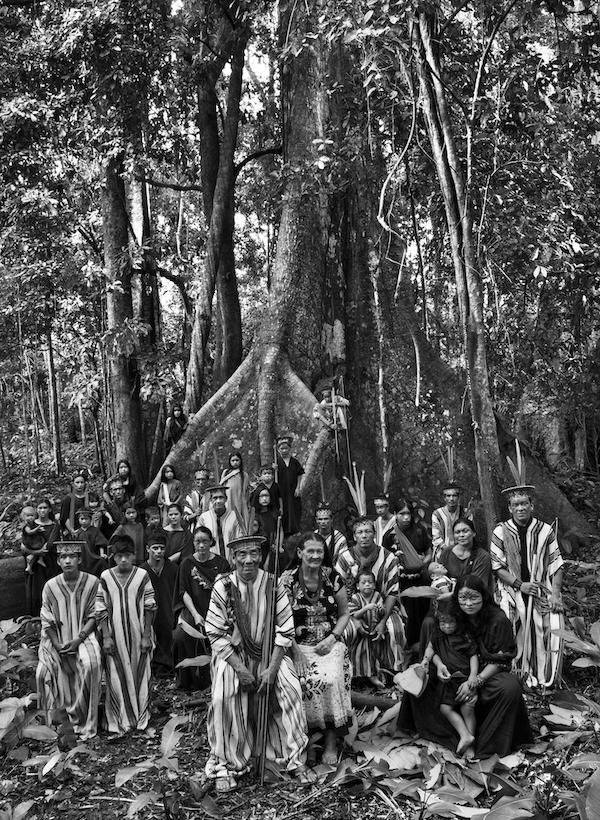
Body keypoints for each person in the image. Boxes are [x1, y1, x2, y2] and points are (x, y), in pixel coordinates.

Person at [204, 535, 312, 792]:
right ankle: (226, 764)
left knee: (291, 689)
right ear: (233, 558)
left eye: (253, 553)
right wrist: (240, 669)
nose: (248, 560)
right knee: (223, 696)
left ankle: (293, 759)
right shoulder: (223, 586)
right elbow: (215, 632)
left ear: (261, 556)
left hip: (271, 656)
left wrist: (273, 669)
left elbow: (285, 629)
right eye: (242, 554)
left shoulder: (274, 584)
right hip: (234, 657)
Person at [398, 574, 533, 759]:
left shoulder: (497, 619)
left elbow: (502, 661)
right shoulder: (453, 613)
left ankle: (485, 744)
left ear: (483, 597)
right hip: (450, 672)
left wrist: (475, 682)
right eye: (463, 598)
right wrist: (437, 666)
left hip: (485, 673)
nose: (468, 604)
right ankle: (451, 737)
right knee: (417, 678)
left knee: (510, 687)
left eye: (474, 598)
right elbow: (436, 640)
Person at [282, 533, 353, 764]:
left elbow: (344, 614)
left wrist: (333, 638)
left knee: (331, 678)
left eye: (319, 551)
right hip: (297, 646)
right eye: (310, 551)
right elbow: (279, 621)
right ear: (300, 553)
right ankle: (309, 739)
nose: (315, 556)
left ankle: (331, 740)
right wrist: (295, 652)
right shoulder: (287, 580)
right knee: (300, 683)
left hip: (329, 643)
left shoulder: (333, 576)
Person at [490, 485, 564, 688]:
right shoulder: (500, 531)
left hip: (541, 587)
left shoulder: (545, 530)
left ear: (532, 506)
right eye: (516, 505)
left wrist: (556, 595)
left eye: (524, 503)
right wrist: (520, 585)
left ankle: (545, 675)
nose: (520, 508)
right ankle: (515, 672)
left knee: (553, 622)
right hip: (511, 588)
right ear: (510, 508)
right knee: (511, 616)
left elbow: (556, 564)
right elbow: (497, 567)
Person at [36, 542, 102, 741]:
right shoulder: (50, 586)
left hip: (82, 635)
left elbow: (95, 614)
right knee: (42, 673)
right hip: (55, 638)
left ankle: (85, 721)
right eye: (63, 557)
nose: (67, 560)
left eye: (72, 556)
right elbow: (46, 619)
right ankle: (53, 726)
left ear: (80, 559)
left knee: (92, 663)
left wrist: (78, 639)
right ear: (57, 561)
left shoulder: (92, 582)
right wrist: (57, 645)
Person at [95, 535, 156, 736]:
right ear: (113, 557)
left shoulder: (142, 576)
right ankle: (119, 719)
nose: (123, 560)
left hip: (139, 633)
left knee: (141, 672)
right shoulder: (105, 577)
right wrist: (106, 637)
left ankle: (140, 716)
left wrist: (147, 635)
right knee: (115, 673)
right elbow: (100, 609)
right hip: (115, 635)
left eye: (127, 556)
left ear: (134, 556)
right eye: (120, 556)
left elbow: (149, 605)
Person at [335, 517, 405, 679]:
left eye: (368, 531)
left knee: (395, 629)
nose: (364, 536)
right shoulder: (345, 558)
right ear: (354, 537)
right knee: (345, 631)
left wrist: (382, 621)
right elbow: (339, 591)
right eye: (360, 532)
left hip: (382, 607)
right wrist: (352, 618)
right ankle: (348, 675)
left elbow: (392, 592)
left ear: (374, 534)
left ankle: (393, 672)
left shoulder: (389, 558)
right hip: (351, 609)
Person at [172, 526, 230, 690]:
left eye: (205, 541)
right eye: (198, 541)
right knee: (180, 636)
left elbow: (228, 592)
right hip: (193, 609)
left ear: (211, 542)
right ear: (193, 543)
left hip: (218, 610)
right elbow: (183, 592)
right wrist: (196, 615)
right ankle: (189, 682)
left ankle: (215, 680)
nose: (202, 545)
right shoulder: (187, 563)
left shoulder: (221, 563)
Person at [427, 603, 479, 758]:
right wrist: (439, 664)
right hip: (449, 679)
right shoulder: (438, 635)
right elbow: (433, 652)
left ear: (458, 621)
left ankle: (470, 747)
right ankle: (465, 735)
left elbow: (473, 655)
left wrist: (473, 676)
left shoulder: (464, 636)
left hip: (465, 678)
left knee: (467, 708)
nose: (447, 626)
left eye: (451, 623)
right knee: (445, 708)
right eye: (443, 623)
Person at [382, 499, 432, 649]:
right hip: (401, 583)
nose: (406, 517)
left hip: (420, 580)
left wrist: (420, 564)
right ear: (395, 514)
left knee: (422, 614)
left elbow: (429, 553)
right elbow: (386, 559)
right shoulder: (390, 535)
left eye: (408, 513)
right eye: (402, 514)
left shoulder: (419, 531)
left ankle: (423, 647)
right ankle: (407, 649)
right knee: (407, 616)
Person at [141, 534, 178, 676]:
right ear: (147, 549)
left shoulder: (173, 568)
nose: (158, 551)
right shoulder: (142, 571)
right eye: (155, 548)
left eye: (162, 548)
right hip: (150, 614)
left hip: (169, 611)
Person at [348, 570, 386, 688]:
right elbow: (354, 615)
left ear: (374, 585)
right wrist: (366, 608)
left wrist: (381, 608)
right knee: (360, 654)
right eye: (363, 582)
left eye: (370, 582)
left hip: (374, 631)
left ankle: (373, 676)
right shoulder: (356, 597)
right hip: (361, 634)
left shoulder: (377, 596)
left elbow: (382, 613)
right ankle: (355, 677)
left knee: (374, 655)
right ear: (358, 586)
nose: (367, 585)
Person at [197, 485, 243, 564]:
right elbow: (198, 540)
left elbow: (239, 540)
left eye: (221, 497)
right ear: (211, 500)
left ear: (226, 499)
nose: (218, 501)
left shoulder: (235, 516)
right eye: (215, 498)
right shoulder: (204, 518)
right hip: (210, 562)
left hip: (231, 561)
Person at [431, 482, 471, 559]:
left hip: (463, 553)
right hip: (443, 554)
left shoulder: (466, 513)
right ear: (444, 498)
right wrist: (449, 551)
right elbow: (436, 537)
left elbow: (470, 534)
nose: (451, 499)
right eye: (448, 496)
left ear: (459, 497)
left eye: (454, 495)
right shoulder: (437, 514)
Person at [276, 435, 304, 536]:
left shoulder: (294, 462)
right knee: (283, 509)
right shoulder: (276, 462)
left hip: (293, 489)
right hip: (281, 490)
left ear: (289, 449)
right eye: (281, 449)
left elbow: (300, 474)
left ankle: (295, 529)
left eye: (286, 448)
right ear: (278, 450)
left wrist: (298, 487)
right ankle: (285, 531)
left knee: (294, 508)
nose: (284, 450)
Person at [73, 508, 109, 577]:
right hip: (81, 557)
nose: (84, 521)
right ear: (78, 520)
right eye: (82, 519)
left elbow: (100, 543)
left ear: (90, 519)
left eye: (86, 519)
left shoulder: (95, 531)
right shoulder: (77, 532)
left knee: (101, 562)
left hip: (92, 555)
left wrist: (102, 554)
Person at [220, 451, 250, 529]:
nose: (235, 462)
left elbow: (246, 491)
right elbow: (221, 487)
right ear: (230, 462)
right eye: (233, 461)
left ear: (240, 461)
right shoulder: (226, 473)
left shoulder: (244, 475)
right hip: (228, 501)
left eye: (237, 460)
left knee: (241, 521)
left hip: (240, 501)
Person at [314, 502, 347, 566]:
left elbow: (343, 559)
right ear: (316, 520)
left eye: (326, 519)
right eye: (320, 519)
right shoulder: (312, 537)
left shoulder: (340, 538)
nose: (323, 522)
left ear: (331, 519)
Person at [60, 471, 90, 537]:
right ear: (72, 484)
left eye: (82, 482)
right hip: (72, 530)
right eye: (77, 482)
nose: (80, 485)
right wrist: (71, 530)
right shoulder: (67, 498)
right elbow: (64, 517)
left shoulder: (89, 497)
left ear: (85, 483)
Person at [184, 467, 212, 533]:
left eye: (203, 479)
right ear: (195, 481)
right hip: (194, 530)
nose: (201, 482)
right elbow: (186, 518)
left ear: (207, 480)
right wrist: (195, 514)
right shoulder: (190, 497)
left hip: (210, 528)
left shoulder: (212, 496)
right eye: (198, 479)